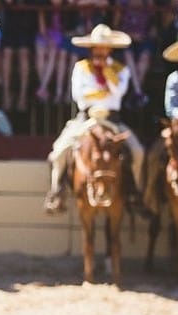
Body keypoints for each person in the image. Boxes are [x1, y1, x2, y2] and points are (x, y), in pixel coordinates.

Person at [44, 24, 144, 214]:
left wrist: (106, 73)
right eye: (97, 47)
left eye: (104, 47)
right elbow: (78, 96)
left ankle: (135, 192)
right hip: (85, 118)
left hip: (112, 119)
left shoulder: (120, 69)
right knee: (58, 152)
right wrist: (102, 92)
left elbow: (118, 94)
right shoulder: (81, 68)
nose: (100, 51)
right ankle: (56, 192)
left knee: (138, 151)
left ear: (110, 49)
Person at [142, 39, 178, 215]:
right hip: (177, 125)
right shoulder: (174, 78)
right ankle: (149, 198)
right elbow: (171, 106)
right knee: (154, 155)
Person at [0, 0, 36, 113]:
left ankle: (23, 96)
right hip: (9, 24)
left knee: (23, 53)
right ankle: (6, 95)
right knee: (7, 52)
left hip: (26, 24)